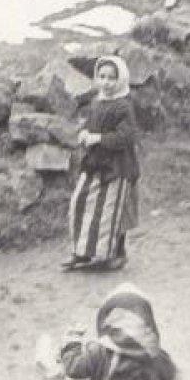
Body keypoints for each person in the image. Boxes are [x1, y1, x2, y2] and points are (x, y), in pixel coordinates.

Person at [63, 55, 140, 273]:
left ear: (121, 80)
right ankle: (82, 251)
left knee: (113, 211)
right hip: (96, 163)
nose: (105, 82)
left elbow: (127, 137)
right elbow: (91, 123)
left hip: (118, 166)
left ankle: (115, 253)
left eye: (111, 78)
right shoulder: (97, 101)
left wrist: (98, 139)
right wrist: (85, 132)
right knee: (80, 201)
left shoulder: (123, 106)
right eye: (101, 76)